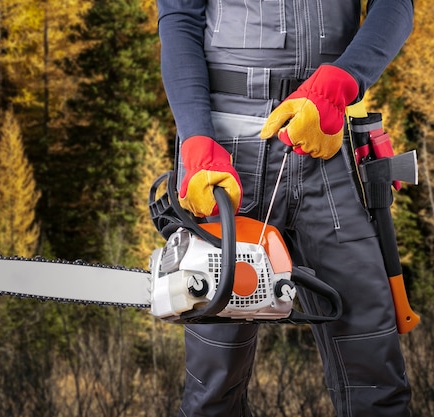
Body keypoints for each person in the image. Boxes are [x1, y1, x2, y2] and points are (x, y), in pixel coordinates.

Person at [156, 1, 415, 416]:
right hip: (228, 157)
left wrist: (342, 81)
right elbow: (179, 17)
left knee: (376, 379)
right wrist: (195, 138)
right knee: (214, 387)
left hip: (330, 143)